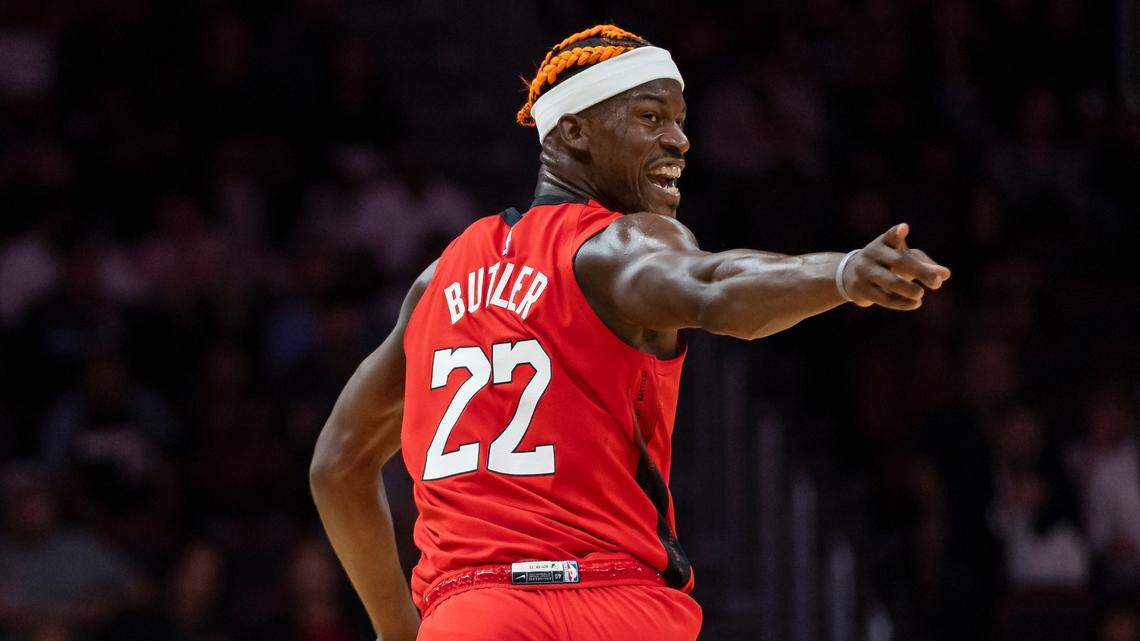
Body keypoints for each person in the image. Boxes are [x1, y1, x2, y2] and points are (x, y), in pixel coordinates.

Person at [309, 24, 951, 641]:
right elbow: (715, 285)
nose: (679, 140)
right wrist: (837, 274)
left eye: (680, 120)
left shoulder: (435, 284)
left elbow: (337, 466)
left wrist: (398, 628)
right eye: (650, 118)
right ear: (575, 131)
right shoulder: (614, 243)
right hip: (613, 605)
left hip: (475, 614)